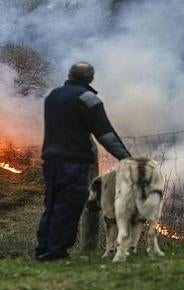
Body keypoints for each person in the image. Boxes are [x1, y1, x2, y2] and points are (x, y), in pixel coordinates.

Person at [35, 61, 131, 261]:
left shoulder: (53, 96)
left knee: (52, 203)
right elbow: (106, 135)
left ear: (69, 76)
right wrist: (126, 158)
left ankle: (43, 248)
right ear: (90, 79)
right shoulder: (89, 100)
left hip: (50, 160)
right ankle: (56, 252)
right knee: (70, 205)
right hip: (74, 161)